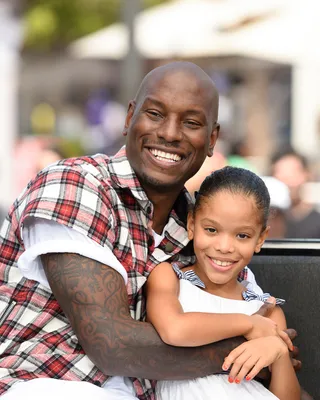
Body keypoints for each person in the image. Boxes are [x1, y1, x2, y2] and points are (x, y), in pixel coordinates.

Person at [0, 62, 298, 400]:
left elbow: (267, 332)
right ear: (130, 119)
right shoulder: (77, 183)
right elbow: (111, 346)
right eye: (155, 114)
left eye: (191, 122)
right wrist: (250, 350)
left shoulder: (202, 231)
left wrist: (273, 348)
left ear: (212, 138)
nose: (170, 133)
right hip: (43, 385)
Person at [147, 166, 300, 400]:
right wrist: (247, 325)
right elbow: (174, 329)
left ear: (260, 239)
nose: (224, 247)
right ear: (191, 225)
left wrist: (279, 354)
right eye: (211, 230)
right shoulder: (169, 278)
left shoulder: (267, 311)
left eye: (242, 236)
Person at [271, 149, 320, 239]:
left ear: (306, 175)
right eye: (281, 175)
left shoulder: (317, 223)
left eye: (293, 174)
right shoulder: (267, 222)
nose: (288, 182)